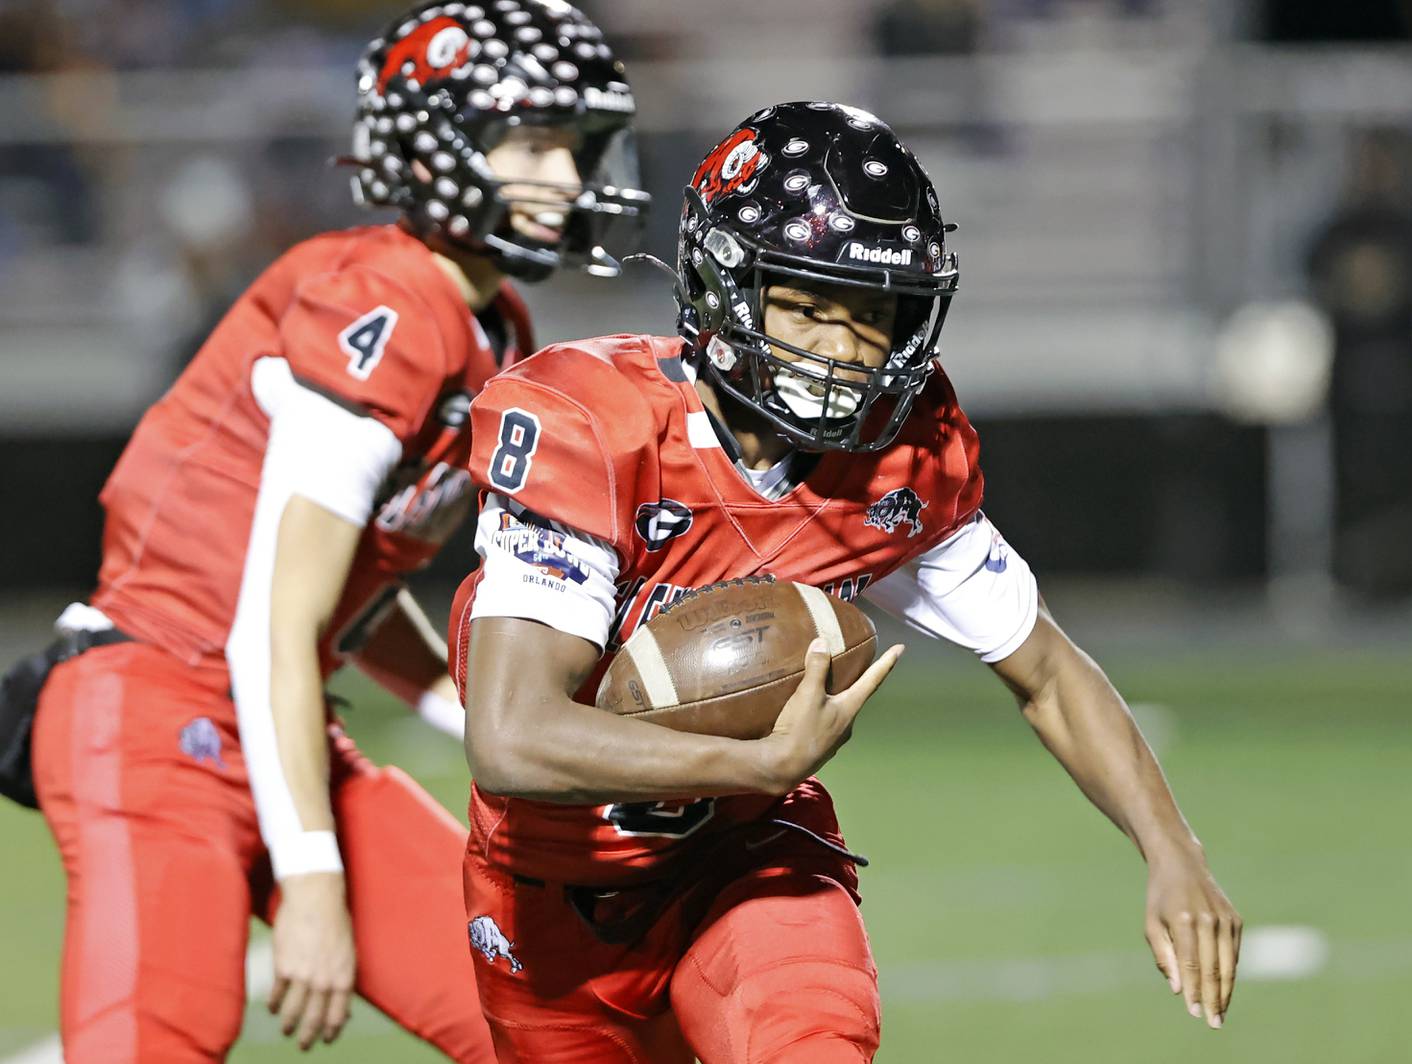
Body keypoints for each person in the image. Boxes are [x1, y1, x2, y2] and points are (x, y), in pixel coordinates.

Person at [448, 102, 1241, 1062]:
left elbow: (1048, 671)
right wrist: (752, 763)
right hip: (549, 896)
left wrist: (1174, 853)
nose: (841, 347)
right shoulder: (594, 426)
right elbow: (513, 735)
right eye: (811, 304)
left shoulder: (896, 463)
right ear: (726, 283)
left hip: (747, 861)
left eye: (871, 315)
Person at [23, 2, 647, 1060]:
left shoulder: (491, 321)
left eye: (576, 149)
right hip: (152, 709)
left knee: (555, 1030)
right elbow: (278, 612)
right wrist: (313, 876)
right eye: (535, 144)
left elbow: (343, 594)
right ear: (440, 147)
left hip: (272, 719)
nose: (568, 181)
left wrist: (479, 713)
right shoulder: (391, 300)